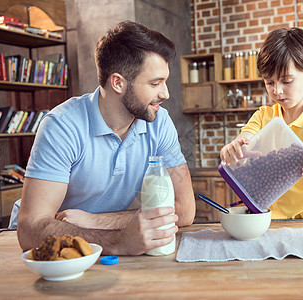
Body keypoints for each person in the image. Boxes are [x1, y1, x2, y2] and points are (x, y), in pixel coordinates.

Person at [15, 20, 195, 255]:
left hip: (95, 241)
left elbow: (185, 210)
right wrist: (119, 242)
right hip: (45, 252)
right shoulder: (62, 126)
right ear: (118, 83)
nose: (165, 93)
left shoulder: (159, 122)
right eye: (155, 83)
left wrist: (97, 221)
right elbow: (30, 228)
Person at [220, 27, 303, 219]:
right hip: (274, 224)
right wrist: (233, 150)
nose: (278, 91)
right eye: (270, 82)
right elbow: (245, 139)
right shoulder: (263, 116)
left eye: (286, 81)